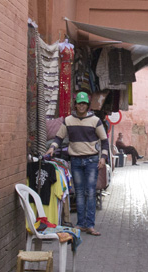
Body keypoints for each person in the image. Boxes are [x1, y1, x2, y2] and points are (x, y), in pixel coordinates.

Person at [46, 91, 108, 236]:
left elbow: (104, 141)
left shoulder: (95, 121)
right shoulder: (68, 120)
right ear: (76, 105)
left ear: (87, 105)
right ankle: (81, 224)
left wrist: (103, 158)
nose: (81, 106)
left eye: (84, 104)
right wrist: (52, 148)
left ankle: (90, 225)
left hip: (92, 160)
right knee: (79, 193)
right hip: (75, 161)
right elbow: (58, 138)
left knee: (91, 192)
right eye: (79, 103)